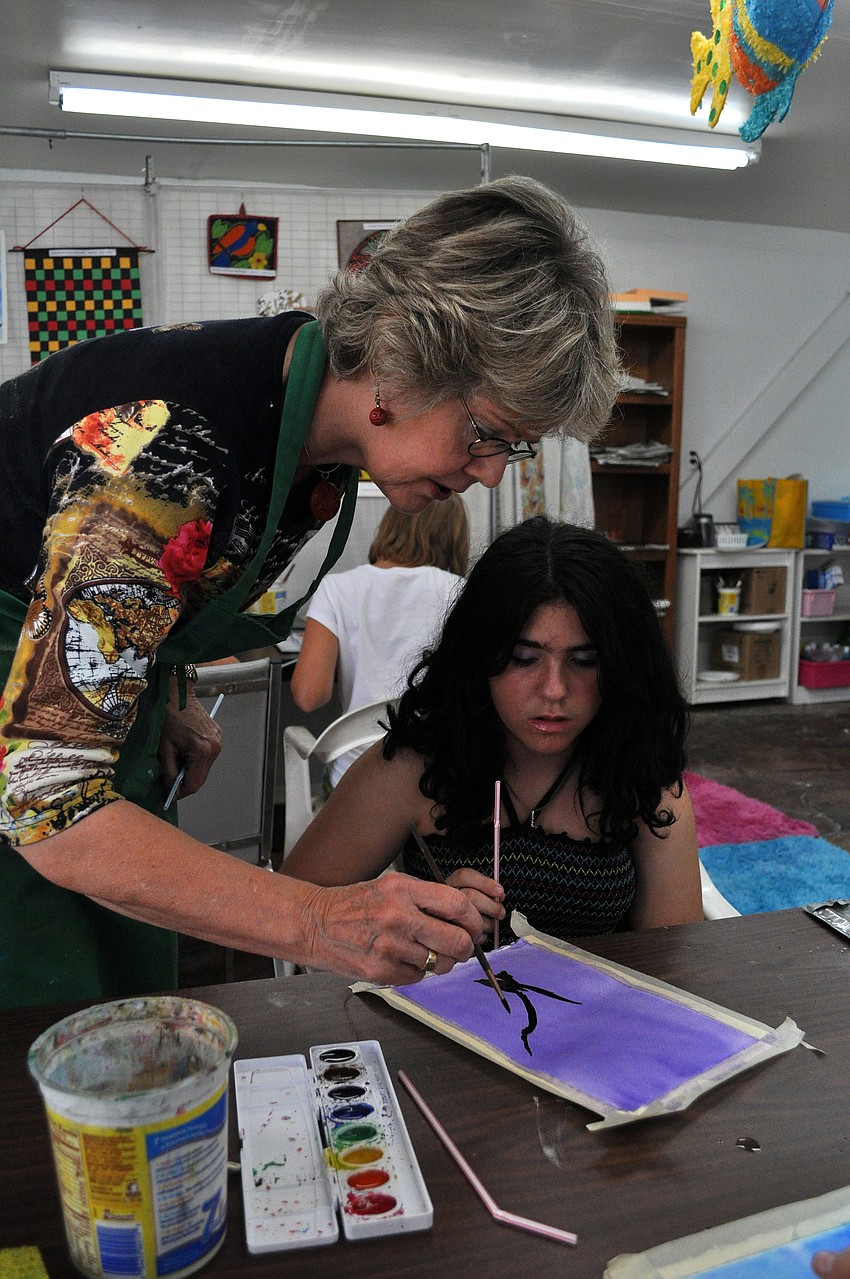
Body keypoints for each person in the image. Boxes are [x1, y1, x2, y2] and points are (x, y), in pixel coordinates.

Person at [0, 176, 620, 1010]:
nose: (489, 476)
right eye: (485, 435)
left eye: (513, 448)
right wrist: (321, 920)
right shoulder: (169, 450)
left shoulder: (303, 410)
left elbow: (139, 583)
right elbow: (47, 803)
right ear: (401, 356)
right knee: (46, 1013)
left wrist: (161, 684)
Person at [284, 518, 703, 946]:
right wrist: (409, 918)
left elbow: (671, 959)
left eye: (585, 661)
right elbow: (290, 913)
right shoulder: (416, 766)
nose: (554, 690)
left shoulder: (640, 775)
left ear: (623, 666)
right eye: (523, 658)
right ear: (478, 656)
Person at [290, 494, 469, 787]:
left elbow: (309, 696)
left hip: (354, 781)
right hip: (435, 781)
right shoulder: (461, 593)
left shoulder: (336, 589)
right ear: (454, 538)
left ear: (389, 526)